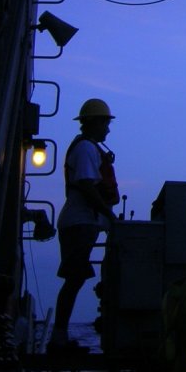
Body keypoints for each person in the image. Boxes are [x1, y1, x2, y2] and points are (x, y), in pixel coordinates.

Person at [49, 98, 120, 353]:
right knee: (74, 279)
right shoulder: (87, 150)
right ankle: (58, 338)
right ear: (95, 123)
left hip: (83, 223)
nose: (108, 129)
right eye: (105, 123)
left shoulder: (86, 148)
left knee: (75, 279)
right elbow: (87, 186)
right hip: (79, 224)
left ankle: (59, 336)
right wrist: (108, 215)